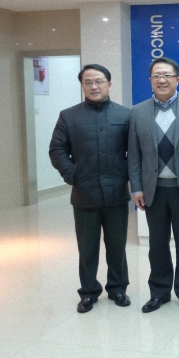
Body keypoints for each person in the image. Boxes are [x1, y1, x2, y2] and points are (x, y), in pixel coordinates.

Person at [49, 64, 132, 313]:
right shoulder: (69, 116)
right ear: (83, 86)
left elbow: (136, 152)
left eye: (99, 81)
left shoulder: (125, 115)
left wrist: (126, 175)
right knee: (87, 248)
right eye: (88, 82)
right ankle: (88, 292)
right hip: (84, 194)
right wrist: (72, 174)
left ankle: (118, 288)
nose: (93, 86)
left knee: (117, 246)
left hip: (116, 193)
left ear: (109, 84)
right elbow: (57, 149)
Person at [128, 56, 179, 314]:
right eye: (156, 76)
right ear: (150, 80)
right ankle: (159, 292)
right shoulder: (138, 111)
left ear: (177, 79)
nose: (162, 80)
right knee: (157, 245)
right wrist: (137, 188)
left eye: (167, 75)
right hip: (154, 190)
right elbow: (134, 155)